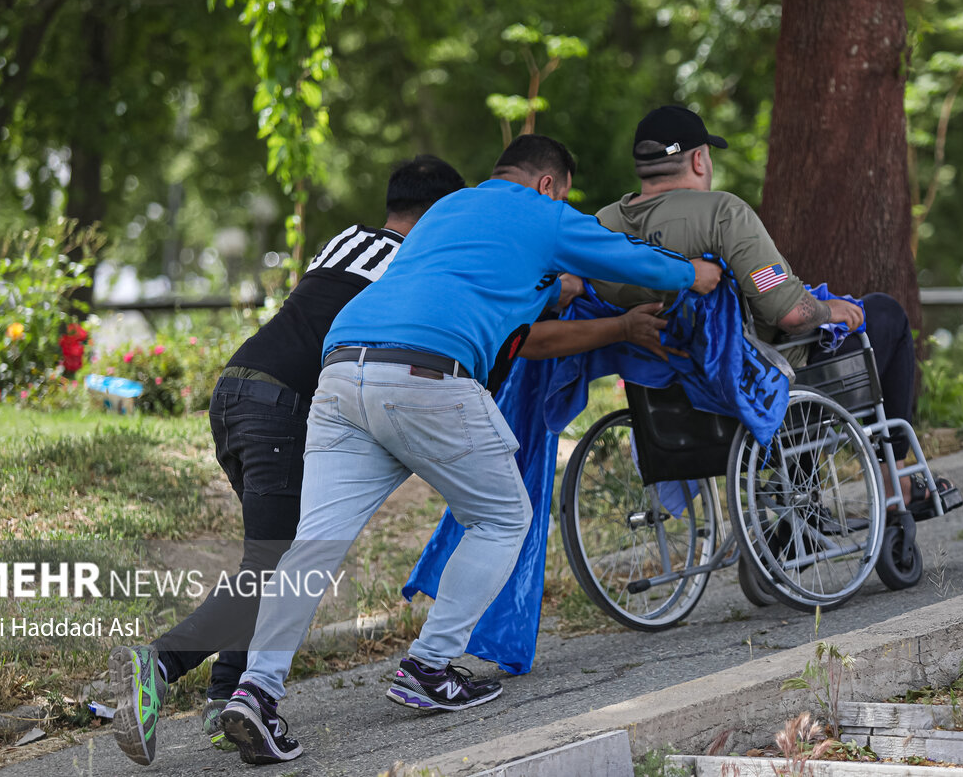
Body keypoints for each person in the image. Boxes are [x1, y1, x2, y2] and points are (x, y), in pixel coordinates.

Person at [107, 155, 678, 767]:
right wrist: (583, 302)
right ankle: (165, 665)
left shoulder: (348, 242)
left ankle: (239, 701)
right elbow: (521, 338)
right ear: (442, 213)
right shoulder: (422, 256)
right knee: (289, 561)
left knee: (289, 553)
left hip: (248, 388)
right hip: (297, 402)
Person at [591, 105, 951, 510]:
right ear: (698, 159)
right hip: (752, 389)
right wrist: (829, 310)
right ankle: (895, 484)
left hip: (668, 409)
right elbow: (790, 313)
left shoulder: (602, 227)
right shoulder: (722, 213)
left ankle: (800, 506)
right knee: (883, 314)